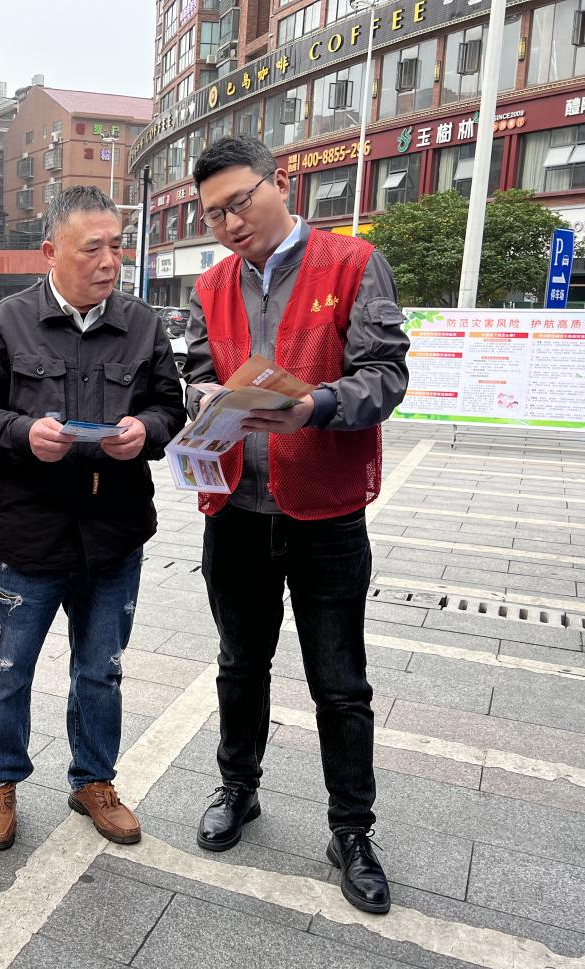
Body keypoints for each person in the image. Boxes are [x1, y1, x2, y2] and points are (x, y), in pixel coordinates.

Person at [181, 136, 409, 915]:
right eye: (214, 213)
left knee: (338, 682)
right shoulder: (210, 284)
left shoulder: (351, 264)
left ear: (279, 183)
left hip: (326, 514)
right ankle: (237, 788)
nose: (229, 222)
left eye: (239, 201)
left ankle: (351, 829)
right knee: (238, 665)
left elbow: (385, 374)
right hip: (235, 509)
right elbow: (193, 369)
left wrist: (315, 404)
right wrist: (199, 394)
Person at [0, 186, 186, 850]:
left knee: (101, 668)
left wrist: (147, 430)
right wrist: (22, 433)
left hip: (113, 533)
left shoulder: (141, 324)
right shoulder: (8, 322)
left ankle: (94, 780)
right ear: (51, 252)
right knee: (7, 668)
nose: (109, 261)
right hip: (27, 534)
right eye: (92, 248)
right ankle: (0, 780)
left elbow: (170, 406)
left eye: (117, 246)